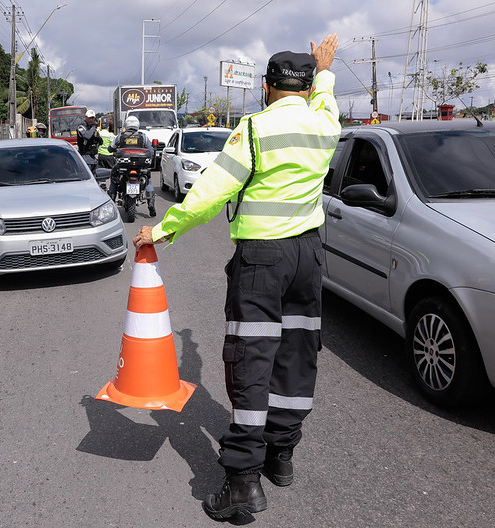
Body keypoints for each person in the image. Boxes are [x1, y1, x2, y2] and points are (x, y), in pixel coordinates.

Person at [132, 34, 341, 520]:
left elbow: (209, 193)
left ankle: (243, 481)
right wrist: (325, 69)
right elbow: (326, 99)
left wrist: (163, 229)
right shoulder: (326, 123)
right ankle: (282, 455)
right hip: (310, 257)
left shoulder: (254, 129)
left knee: (251, 360)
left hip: (262, 262)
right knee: (297, 352)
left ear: (265, 87)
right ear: (308, 90)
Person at [108, 115, 157, 217]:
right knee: (148, 179)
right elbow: (151, 151)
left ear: (126, 124)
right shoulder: (143, 137)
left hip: (123, 167)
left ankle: (110, 204)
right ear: (137, 125)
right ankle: (151, 204)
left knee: (113, 179)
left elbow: (110, 148)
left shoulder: (120, 136)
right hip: (140, 167)